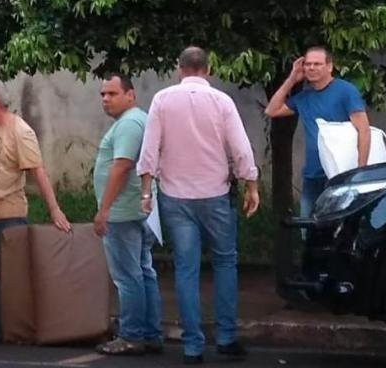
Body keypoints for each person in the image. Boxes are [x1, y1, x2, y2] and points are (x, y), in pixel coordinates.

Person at [137, 46, 260, 365]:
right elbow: (241, 148)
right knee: (224, 263)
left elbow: (150, 149)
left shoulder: (162, 100)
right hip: (216, 194)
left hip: (176, 196)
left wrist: (146, 192)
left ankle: (193, 346)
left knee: (187, 269)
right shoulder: (222, 101)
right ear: (208, 70)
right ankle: (227, 337)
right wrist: (251, 185)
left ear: (180, 69)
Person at [0, 80, 71, 341]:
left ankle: (16, 326)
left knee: (14, 277)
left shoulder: (20, 130)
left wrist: (54, 210)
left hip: (8, 214)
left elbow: (38, 170)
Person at [92, 74, 163, 356]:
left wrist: (104, 209)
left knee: (127, 276)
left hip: (123, 212)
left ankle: (132, 335)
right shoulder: (135, 121)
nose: (105, 99)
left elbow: (121, 167)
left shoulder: (130, 123)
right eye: (102, 95)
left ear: (130, 95)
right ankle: (150, 332)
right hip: (136, 209)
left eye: (112, 93)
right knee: (143, 272)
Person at [265, 45, 371, 224]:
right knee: (308, 230)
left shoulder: (346, 91)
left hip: (341, 175)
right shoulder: (304, 97)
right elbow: (272, 110)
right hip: (313, 176)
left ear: (329, 66)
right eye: (307, 64)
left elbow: (364, 130)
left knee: (339, 229)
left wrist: (360, 171)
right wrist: (291, 79)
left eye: (317, 64)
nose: (311, 68)